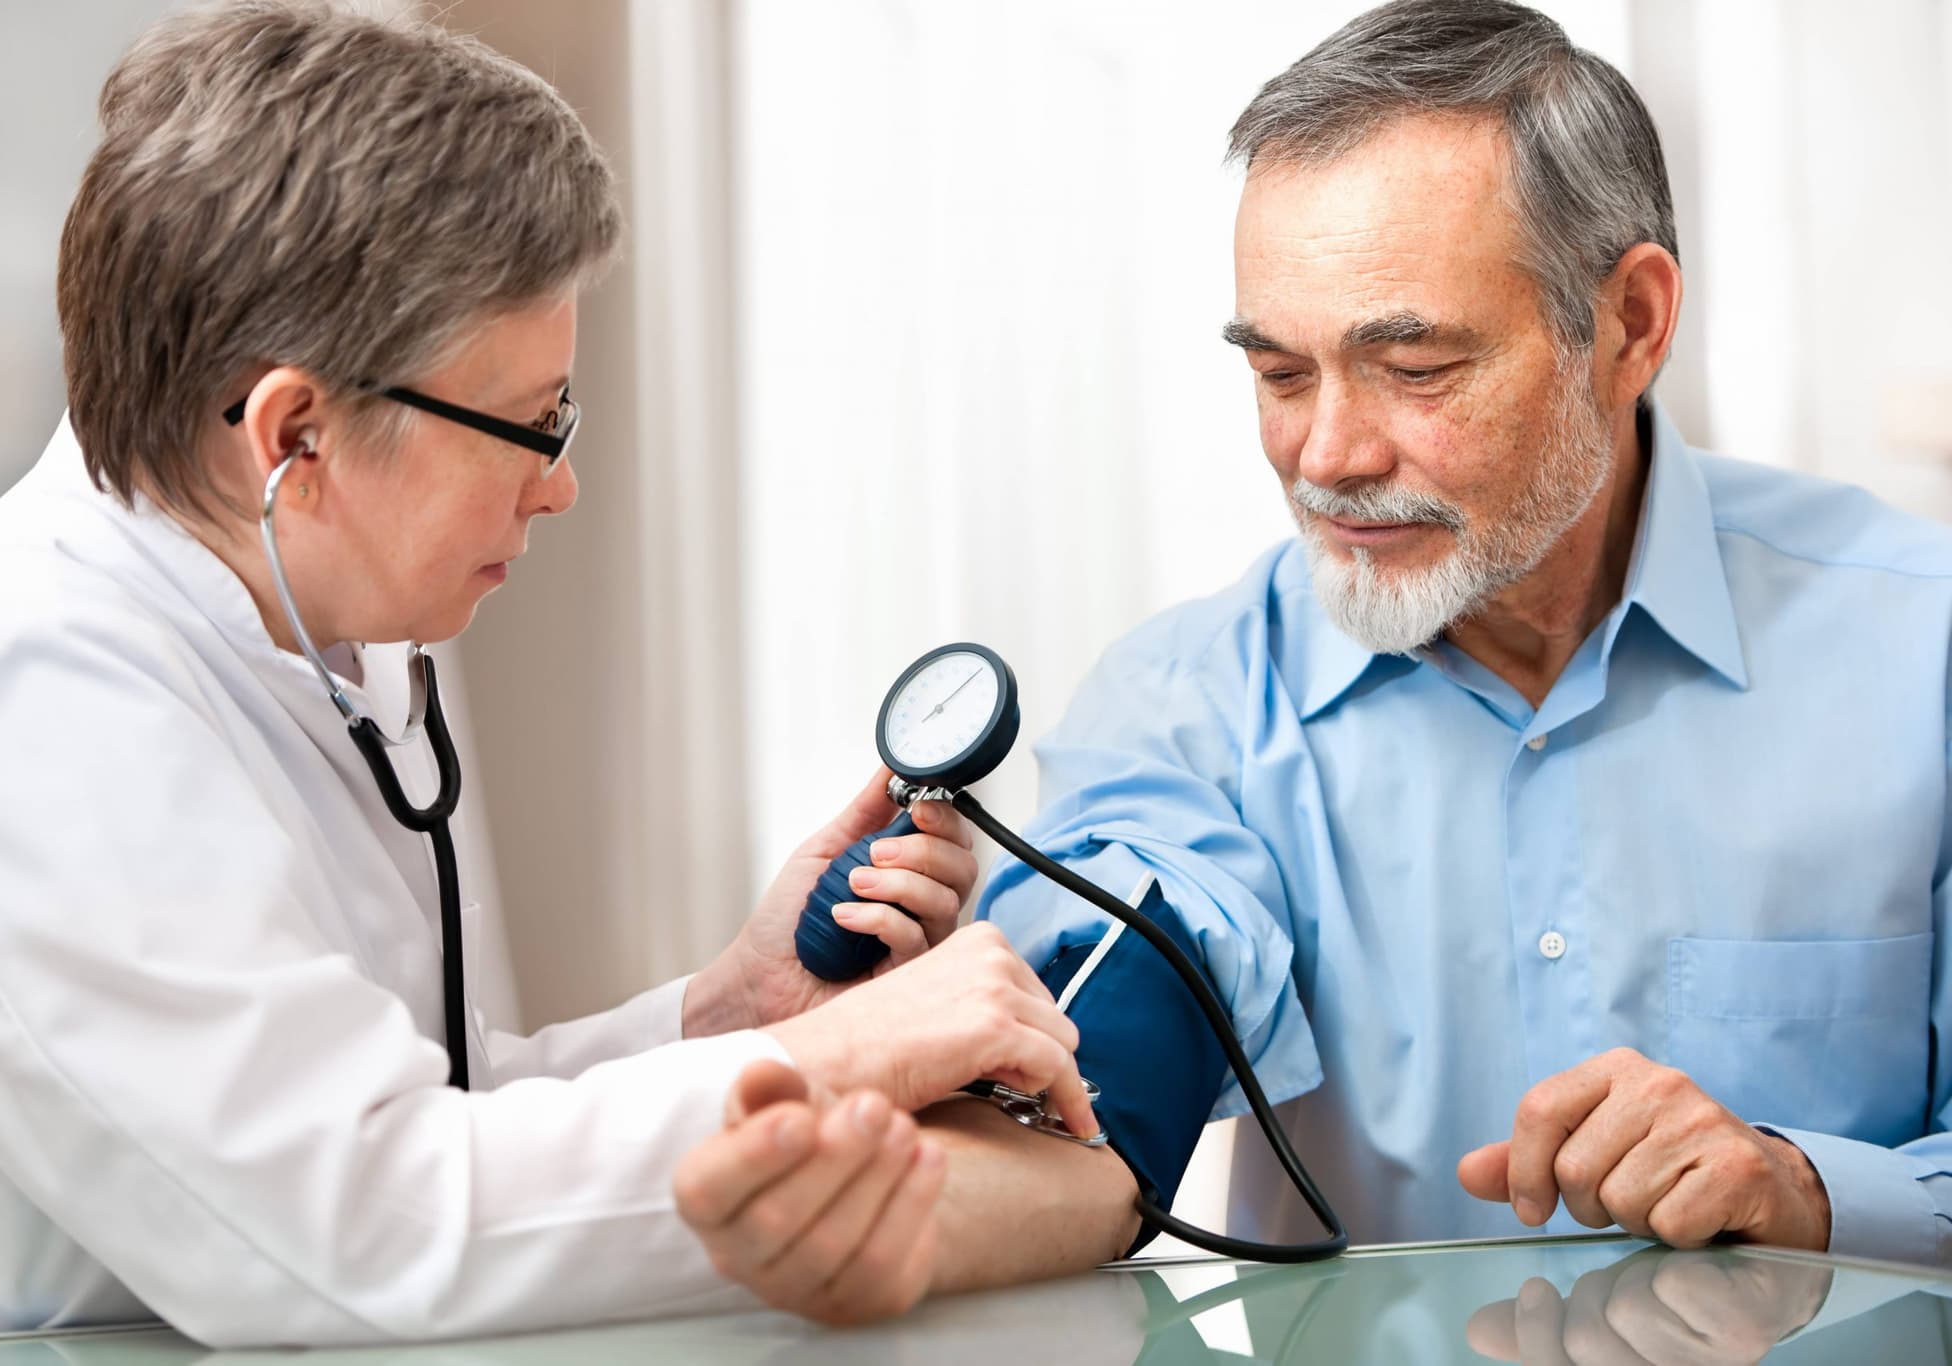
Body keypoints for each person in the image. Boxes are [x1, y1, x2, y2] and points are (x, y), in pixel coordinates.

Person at [679, 0, 1952, 1321]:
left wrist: (1807, 1188)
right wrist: (902, 1202)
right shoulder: (1185, 709)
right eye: (1281, 372)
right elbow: (1105, 1086)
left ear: (1630, 323)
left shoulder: (1923, 652)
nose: (1328, 455)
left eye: (1414, 364)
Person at [0, 0, 1095, 1346]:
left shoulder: (293, 630)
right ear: (294, 430)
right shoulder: (39, 688)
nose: (563, 485)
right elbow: (351, 1224)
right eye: (531, 426)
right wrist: (828, 1062)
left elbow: (423, 1114)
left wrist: (730, 1013)